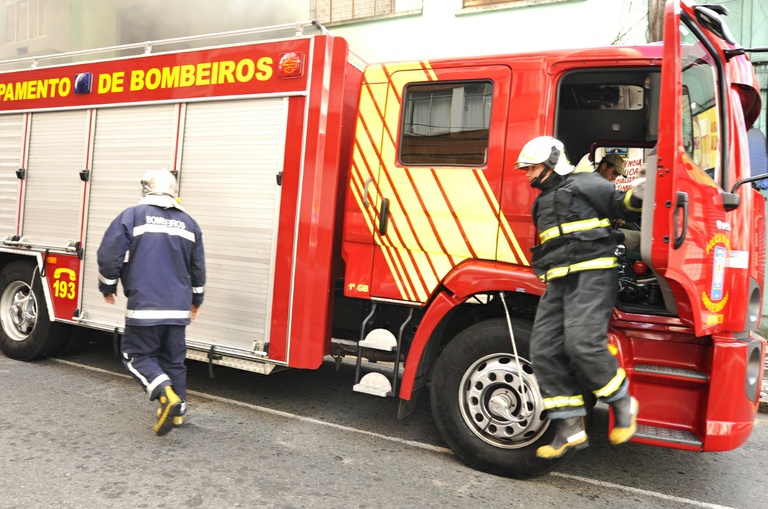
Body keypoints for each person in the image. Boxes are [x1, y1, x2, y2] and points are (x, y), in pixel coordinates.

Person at [515, 136, 643, 459]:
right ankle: (569, 428)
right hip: (559, 283)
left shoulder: (586, 183)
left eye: (532, 168)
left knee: (581, 344)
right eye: (526, 170)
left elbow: (621, 204)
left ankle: (623, 401)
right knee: (542, 351)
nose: (528, 175)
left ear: (553, 161)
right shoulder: (540, 204)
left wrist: (641, 195)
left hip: (594, 275)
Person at [97, 168, 206, 436]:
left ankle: (165, 396)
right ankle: (178, 413)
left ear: (146, 190)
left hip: (146, 305)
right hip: (178, 308)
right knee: (173, 360)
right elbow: (198, 268)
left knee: (135, 354)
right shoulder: (190, 224)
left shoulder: (132, 216)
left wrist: (107, 285)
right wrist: (196, 300)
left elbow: (110, 253)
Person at [575, 153, 641, 252]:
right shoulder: (595, 185)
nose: (615, 178)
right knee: (640, 239)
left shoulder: (599, 185)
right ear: (604, 166)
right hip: (595, 238)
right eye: (614, 172)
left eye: (618, 175)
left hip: (602, 233)